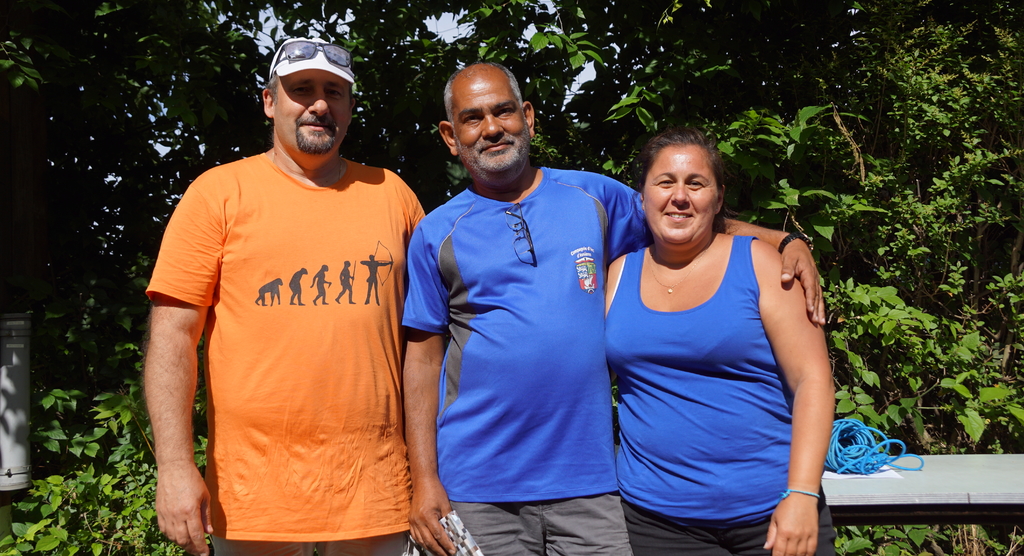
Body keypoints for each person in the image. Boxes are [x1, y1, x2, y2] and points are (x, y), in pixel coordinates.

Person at [401, 63, 824, 556]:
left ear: (528, 117)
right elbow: (422, 362)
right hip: (477, 487)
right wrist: (424, 480)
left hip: (593, 484)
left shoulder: (595, 197)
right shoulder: (436, 233)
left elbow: (683, 215)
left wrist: (784, 240)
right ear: (450, 137)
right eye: (473, 118)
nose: (492, 128)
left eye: (504, 111)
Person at [144, 37, 424, 556]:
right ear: (270, 101)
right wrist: (175, 467)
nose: (319, 104)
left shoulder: (393, 195)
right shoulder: (218, 194)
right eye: (302, 90)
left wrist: (430, 474)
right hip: (253, 494)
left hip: (374, 488)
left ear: (350, 107)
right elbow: (173, 336)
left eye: (334, 92)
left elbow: (425, 343)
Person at [604, 127, 836, 556]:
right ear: (642, 196)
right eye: (665, 182)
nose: (679, 196)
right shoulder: (617, 275)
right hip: (657, 523)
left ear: (718, 197)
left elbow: (813, 380)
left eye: (696, 183)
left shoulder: (763, 265)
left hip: (773, 514)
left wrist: (803, 494)